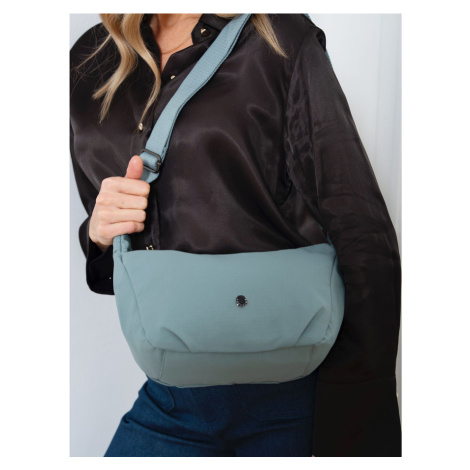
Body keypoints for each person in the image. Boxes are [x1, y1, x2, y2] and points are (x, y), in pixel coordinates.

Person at [70, 13, 401, 457]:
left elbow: (358, 223)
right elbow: (120, 255)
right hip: (170, 400)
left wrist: (356, 415)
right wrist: (98, 233)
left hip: (294, 400)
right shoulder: (90, 60)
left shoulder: (278, 37)